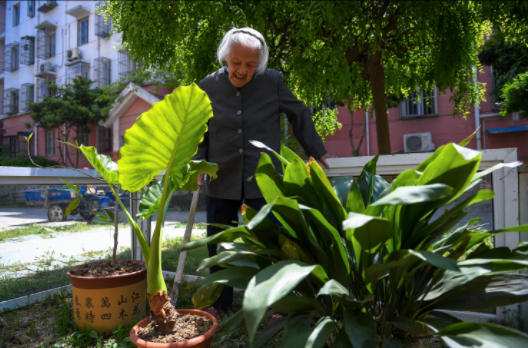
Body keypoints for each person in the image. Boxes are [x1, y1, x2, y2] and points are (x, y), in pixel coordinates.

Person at [194, 27, 329, 311]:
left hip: (262, 176)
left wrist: (316, 151)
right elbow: (199, 130)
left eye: (250, 65)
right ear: (225, 57)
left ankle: (278, 303)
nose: (242, 70)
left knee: (273, 241)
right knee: (219, 241)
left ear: (260, 63)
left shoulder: (274, 82)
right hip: (221, 175)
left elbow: (299, 113)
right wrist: (199, 162)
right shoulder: (207, 86)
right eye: (236, 62)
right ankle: (220, 302)